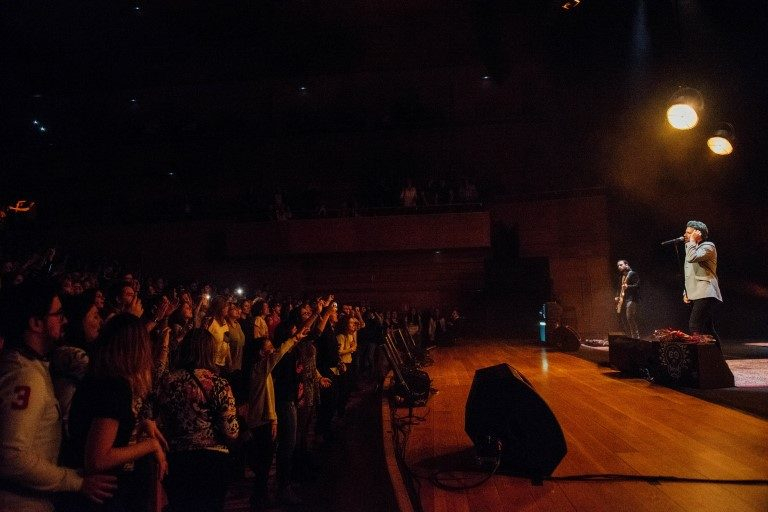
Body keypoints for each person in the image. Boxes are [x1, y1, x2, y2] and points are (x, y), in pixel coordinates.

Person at [0, 280, 117, 512]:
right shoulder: (25, 377)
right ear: (36, 323)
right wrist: (76, 481)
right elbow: (10, 456)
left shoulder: (33, 367)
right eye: (58, 314)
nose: (65, 320)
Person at [155, 328, 240, 512]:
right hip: (212, 461)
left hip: (177, 459)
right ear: (209, 351)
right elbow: (231, 430)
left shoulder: (168, 381)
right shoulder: (218, 383)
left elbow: (159, 417)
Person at [682, 220, 723, 347]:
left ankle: (701, 358)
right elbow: (689, 274)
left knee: (695, 325)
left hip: (705, 291)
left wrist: (692, 241)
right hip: (695, 293)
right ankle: (717, 359)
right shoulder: (691, 248)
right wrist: (686, 291)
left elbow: (692, 258)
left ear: (698, 234)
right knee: (707, 329)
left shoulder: (708, 247)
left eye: (688, 233)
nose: (685, 235)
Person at [614, 260, 640, 339]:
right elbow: (619, 288)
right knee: (623, 319)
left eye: (621, 265)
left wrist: (628, 287)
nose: (619, 267)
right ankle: (628, 337)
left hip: (631, 299)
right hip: (623, 301)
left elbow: (637, 285)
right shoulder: (622, 277)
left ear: (626, 264)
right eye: (618, 266)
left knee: (630, 317)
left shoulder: (632, 274)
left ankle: (635, 338)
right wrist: (617, 296)